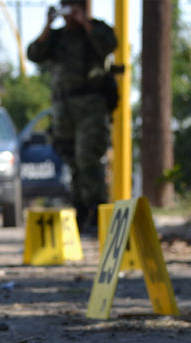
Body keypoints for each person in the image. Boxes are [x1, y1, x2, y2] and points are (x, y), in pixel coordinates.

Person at [27, 0, 117, 233]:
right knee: (71, 159)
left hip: (90, 106)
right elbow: (34, 54)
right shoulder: (57, 36)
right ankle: (80, 210)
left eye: (72, 6)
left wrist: (84, 22)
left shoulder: (96, 29)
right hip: (63, 108)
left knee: (88, 157)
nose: (68, 12)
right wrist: (48, 24)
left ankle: (96, 211)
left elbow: (109, 45)